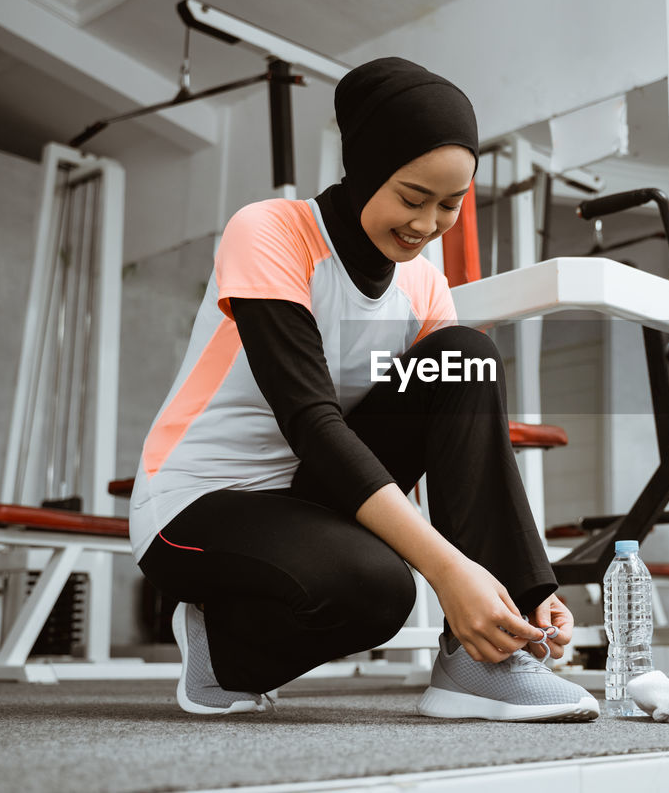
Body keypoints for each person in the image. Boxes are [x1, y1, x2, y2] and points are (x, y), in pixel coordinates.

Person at [128, 56, 598, 721]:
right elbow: (312, 420)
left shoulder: (423, 286)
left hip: (309, 502)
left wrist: (521, 587)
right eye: (412, 196)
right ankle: (221, 650)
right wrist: (448, 572)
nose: (428, 222)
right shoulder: (269, 233)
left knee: (465, 357)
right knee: (379, 590)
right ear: (367, 169)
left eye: (450, 204)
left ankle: (478, 661)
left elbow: (454, 441)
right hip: (197, 501)